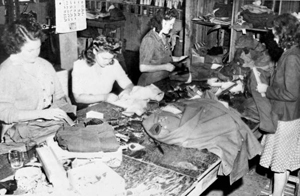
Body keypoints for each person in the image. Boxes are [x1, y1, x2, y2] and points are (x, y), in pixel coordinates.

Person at [0, 15, 70, 140]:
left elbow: (60, 96)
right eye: (30, 50)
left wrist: (62, 109)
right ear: (15, 47)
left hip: (47, 125)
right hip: (19, 131)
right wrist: (42, 114)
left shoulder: (45, 65)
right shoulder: (7, 72)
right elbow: (5, 113)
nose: (36, 53)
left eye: (38, 48)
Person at [257, 13, 300, 196]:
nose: (274, 37)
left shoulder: (291, 58)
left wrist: (266, 89)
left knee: (280, 164)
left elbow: (291, 93)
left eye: (275, 34)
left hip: (286, 116)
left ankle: (277, 195)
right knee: (285, 159)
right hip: (292, 114)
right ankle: (279, 192)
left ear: (284, 34)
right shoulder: (294, 51)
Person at [72, 35, 134, 106]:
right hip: (85, 106)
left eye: (111, 58)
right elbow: (78, 98)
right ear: (95, 51)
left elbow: (128, 84)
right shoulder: (80, 66)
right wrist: (104, 97)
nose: (108, 62)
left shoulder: (113, 64)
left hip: (104, 104)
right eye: (104, 58)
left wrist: (128, 90)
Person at [137, 8, 188, 86]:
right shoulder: (149, 40)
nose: (171, 27)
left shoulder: (163, 37)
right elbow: (143, 67)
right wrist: (165, 67)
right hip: (149, 83)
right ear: (163, 23)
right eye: (170, 24)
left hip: (162, 79)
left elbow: (163, 57)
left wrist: (180, 59)